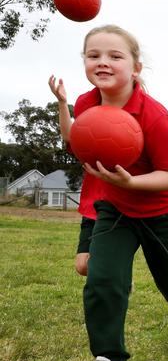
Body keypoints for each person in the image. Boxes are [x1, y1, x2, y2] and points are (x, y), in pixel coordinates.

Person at [66, 25, 168, 361]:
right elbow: (78, 143)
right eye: (93, 54)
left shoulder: (154, 116)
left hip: (164, 212)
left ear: (135, 67)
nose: (103, 62)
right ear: (84, 61)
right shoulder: (85, 104)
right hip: (114, 209)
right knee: (102, 279)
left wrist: (132, 182)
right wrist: (61, 106)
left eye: (115, 56)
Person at [48, 75, 103, 277]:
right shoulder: (89, 137)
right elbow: (69, 137)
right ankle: (117, 272)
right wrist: (62, 102)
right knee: (82, 266)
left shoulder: (124, 132)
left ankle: (116, 272)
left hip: (118, 206)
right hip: (92, 206)